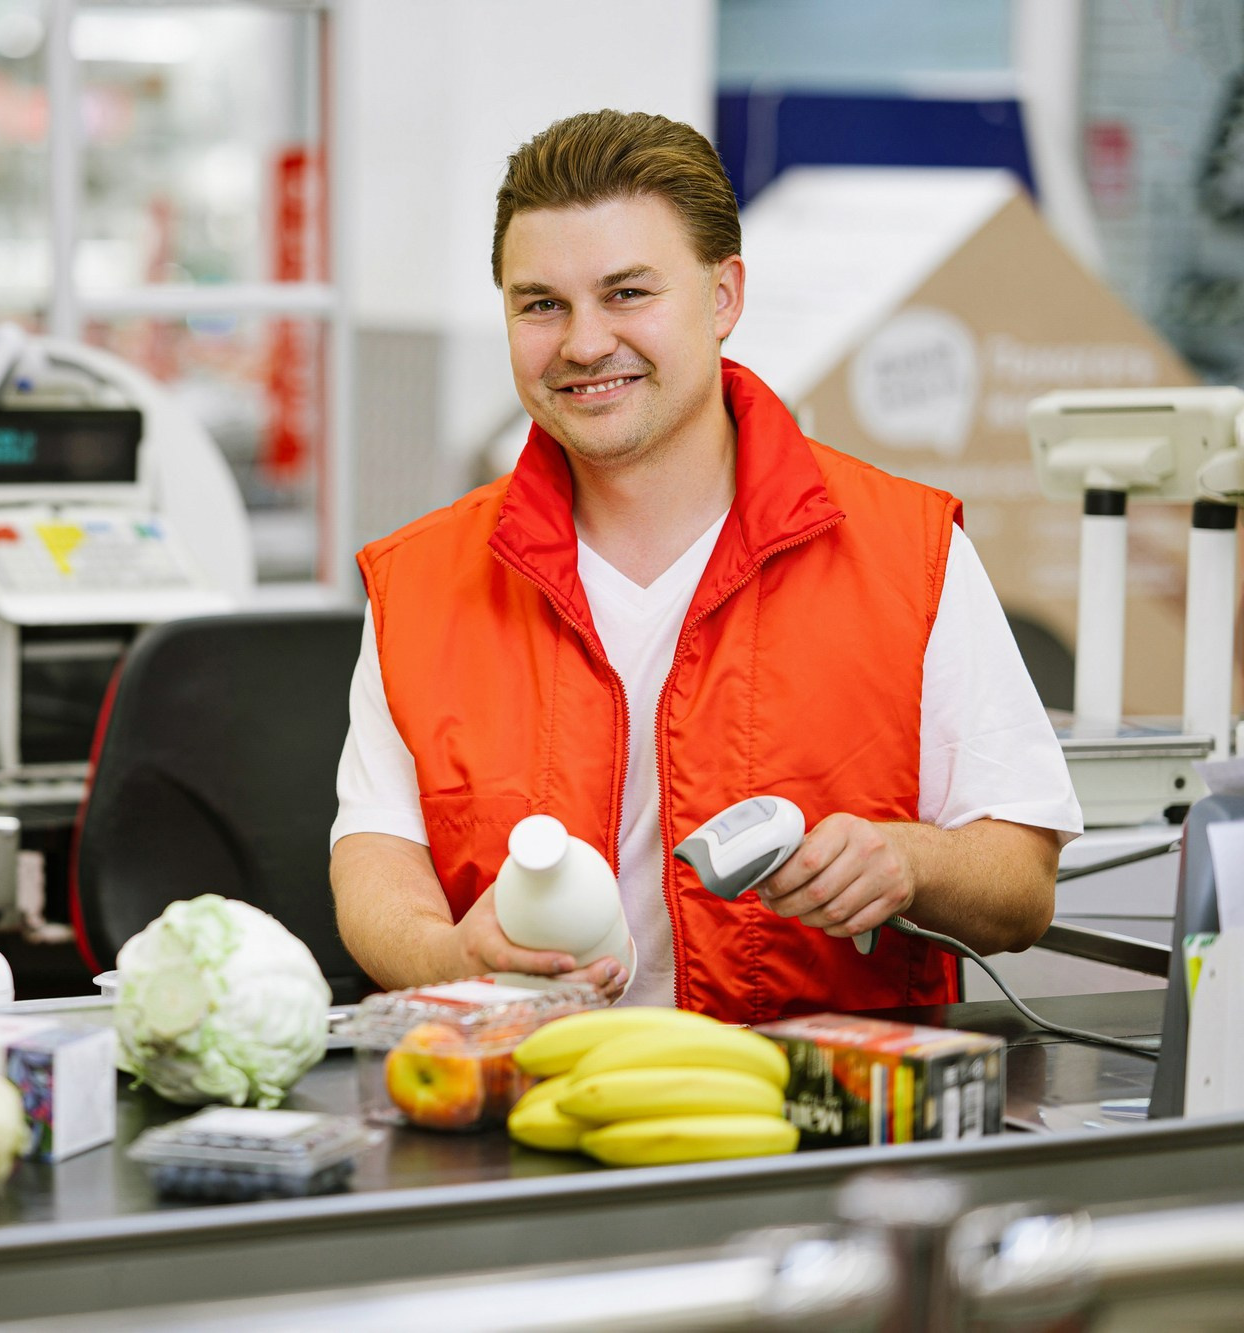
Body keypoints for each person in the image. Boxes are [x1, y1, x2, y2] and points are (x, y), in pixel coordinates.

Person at [328, 110, 1080, 1023]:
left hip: (815, 1116)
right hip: (512, 1100)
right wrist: (450, 955)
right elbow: (377, 852)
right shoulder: (423, 577)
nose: (583, 343)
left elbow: (1022, 882)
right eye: (540, 304)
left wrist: (911, 863)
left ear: (723, 296)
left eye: (628, 292)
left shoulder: (906, 550)